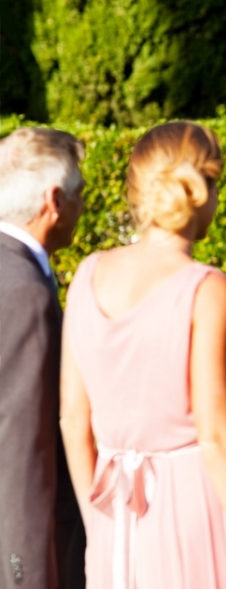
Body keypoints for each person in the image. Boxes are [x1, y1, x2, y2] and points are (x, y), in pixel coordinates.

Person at [58, 121, 226, 589]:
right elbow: (213, 434)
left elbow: (73, 420)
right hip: (189, 504)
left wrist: (97, 522)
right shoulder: (205, 287)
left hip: (112, 508)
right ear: (202, 190)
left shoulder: (89, 273)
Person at [0, 127, 86, 589]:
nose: (83, 207)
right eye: (80, 193)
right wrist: (24, 571)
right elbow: (21, 448)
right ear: (53, 200)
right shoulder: (22, 291)